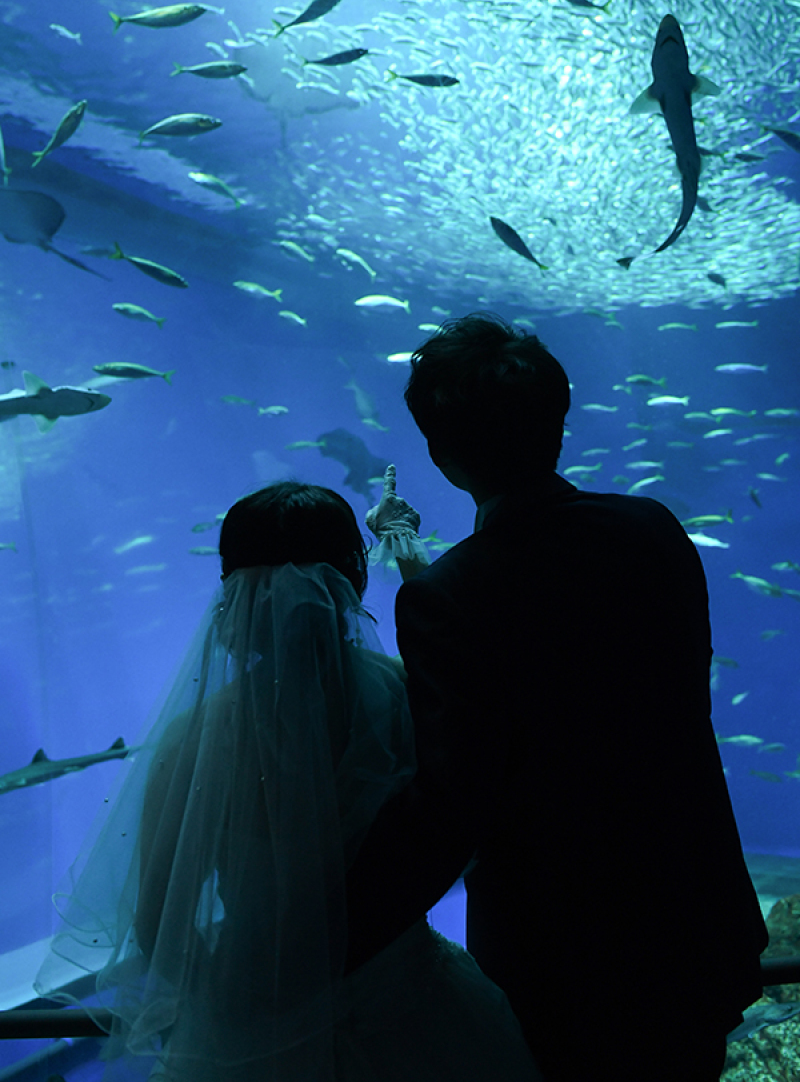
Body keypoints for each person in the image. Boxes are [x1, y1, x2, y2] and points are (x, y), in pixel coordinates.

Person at [344, 313, 769, 1082]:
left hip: (562, 952)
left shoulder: (448, 597)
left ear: (441, 453)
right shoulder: (652, 531)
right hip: (694, 922)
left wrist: (335, 929)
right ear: (559, 421)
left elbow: (454, 795)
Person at [35, 482, 543, 1082]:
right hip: (408, 1007)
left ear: (230, 588)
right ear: (352, 577)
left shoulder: (195, 741)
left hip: (247, 1026)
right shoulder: (410, 699)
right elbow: (469, 824)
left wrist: (239, 1001)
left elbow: (155, 922)